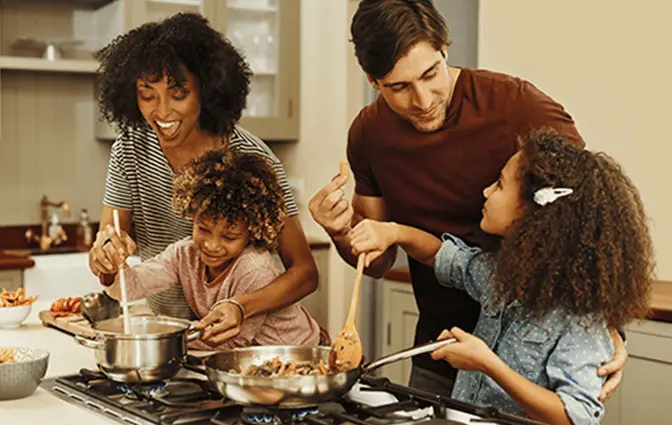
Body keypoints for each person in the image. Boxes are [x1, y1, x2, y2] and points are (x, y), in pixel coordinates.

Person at [308, 0, 626, 399]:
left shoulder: (518, 105)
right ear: (374, 81)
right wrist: (341, 232)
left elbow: (591, 212)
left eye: (430, 74)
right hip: (442, 351)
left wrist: (605, 325)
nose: (422, 100)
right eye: (399, 87)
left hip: (537, 358)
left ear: (445, 48)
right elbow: (379, 258)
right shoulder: (368, 135)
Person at [348, 129, 654, 424]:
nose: (485, 191)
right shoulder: (501, 276)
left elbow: (576, 417)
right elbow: (442, 256)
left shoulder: (580, 317)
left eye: (499, 185)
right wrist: (394, 232)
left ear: (532, 210)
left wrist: (487, 364)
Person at [88, 13, 318, 346]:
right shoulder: (130, 149)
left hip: (245, 342)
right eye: (147, 95)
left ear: (207, 91)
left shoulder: (252, 158)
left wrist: (239, 306)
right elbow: (112, 248)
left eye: (178, 93)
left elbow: (305, 273)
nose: (162, 112)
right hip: (176, 335)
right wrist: (105, 255)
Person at [102, 150, 324, 349]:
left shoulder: (254, 268)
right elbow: (130, 287)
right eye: (203, 229)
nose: (211, 245)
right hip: (248, 360)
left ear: (252, 231)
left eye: (229, 237)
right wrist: (111, 269)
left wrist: (162, 336)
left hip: (298, 354)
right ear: (192, 216)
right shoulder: (185, 254)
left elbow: (232, 341)